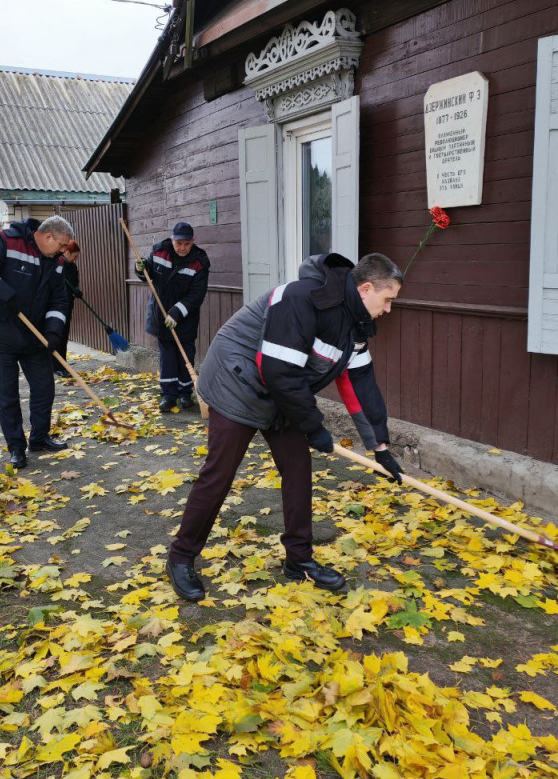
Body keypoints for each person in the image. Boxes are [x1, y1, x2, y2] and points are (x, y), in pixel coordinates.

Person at [165, 251, 405, 602]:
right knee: (220, 472)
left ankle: (299, 560)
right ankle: (181, 557)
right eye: (388, 300)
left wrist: (380, 447)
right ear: (366, 288)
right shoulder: (301, 298)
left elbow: (359, 385)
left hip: (282, 389)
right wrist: (313, 426)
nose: (388, 310)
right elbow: (277, 369)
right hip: (237, 380)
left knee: (298, 469)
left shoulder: (356, 321)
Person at [0, 216, 74, 469]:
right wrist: (4, 293)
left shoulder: (56, 262)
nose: (63, 251)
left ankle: (39, 437)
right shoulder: (5, 241)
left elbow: (59, 301)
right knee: (8, 395)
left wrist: (53, 333)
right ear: (48, 237)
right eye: (61, 245)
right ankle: (16, 447)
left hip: (33, 336)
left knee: (44, 389)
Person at [135, 221, 210, 411]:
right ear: (172, 240)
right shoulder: (159, 252)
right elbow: (148, 276)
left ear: (193, 241)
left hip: (185, 317)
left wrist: (176, 313)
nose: (183, 248)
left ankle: (185, 394)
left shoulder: (199, 262)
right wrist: (140, 269)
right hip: (161, 315)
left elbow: (196, 294)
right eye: (179, 244)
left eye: (187, 244)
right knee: (167, 356)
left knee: (186, 356)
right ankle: (168, 395)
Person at [55, 240, 82, 376]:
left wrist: (76, 289)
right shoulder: (57, 264)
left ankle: (62, 363)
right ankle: (57, 366)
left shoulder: (72, 266)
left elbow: (75, 280)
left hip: (67, 304)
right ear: (67, 252)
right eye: (75, 256)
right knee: (58, 335)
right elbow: (55, 285)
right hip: (57, 306)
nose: (76, 258)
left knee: (64, 335)